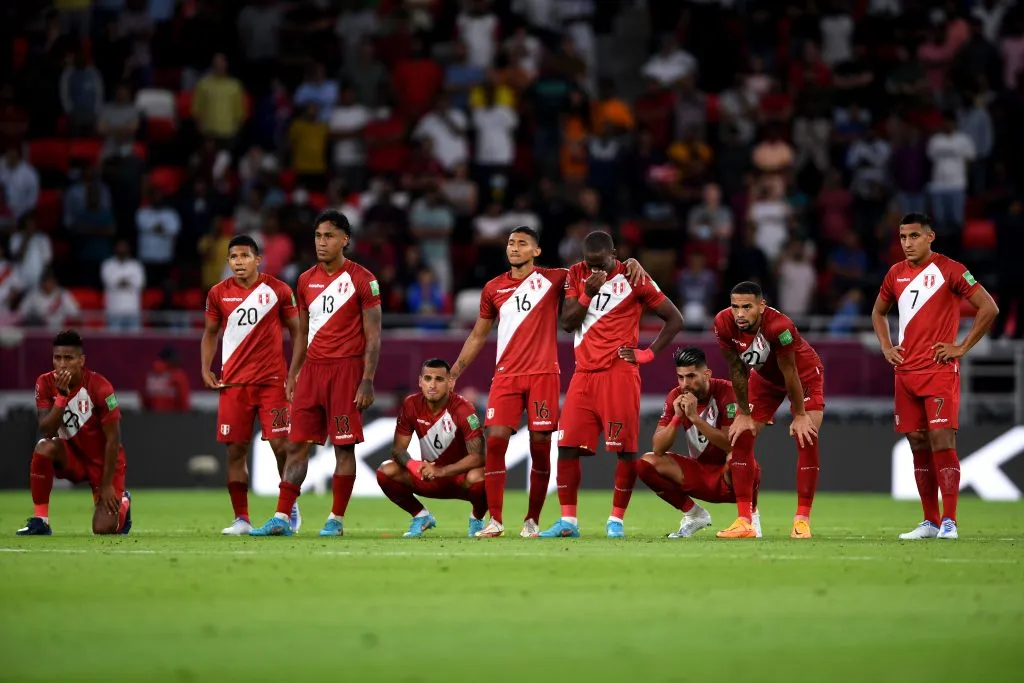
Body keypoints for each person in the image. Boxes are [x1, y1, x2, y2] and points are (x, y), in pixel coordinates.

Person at [449, 227, 648, 538]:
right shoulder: (492, 288)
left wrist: (631, 261)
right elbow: (478, 334)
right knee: (496, 441)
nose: (514, 248)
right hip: (506, 375)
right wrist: (455, 371)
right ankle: (496, 521)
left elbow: (602, 266)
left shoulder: (557, 278)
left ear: (536, 251)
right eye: (511, 243)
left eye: (522, 243)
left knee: (541, 449)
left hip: (544, 375)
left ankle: (532, 521)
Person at [539, 231, 684, 538]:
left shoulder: (634, 277)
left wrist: (648, 353)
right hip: (583, 374)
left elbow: (674, 319)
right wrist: (587, 293)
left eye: (600, 263)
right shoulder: (576, 275)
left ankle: (616, 521)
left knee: (626, 450)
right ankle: (568, 523)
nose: (594, 270)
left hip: (620, 374)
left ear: (614, 254)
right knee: (565, 447)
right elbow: (566, 324)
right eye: (589, 263)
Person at [250, 210, 382, 537]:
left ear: (345, 240)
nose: (322, 242)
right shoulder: (306, 280)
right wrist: (293, 373)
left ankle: (335, 519)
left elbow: (374, 335)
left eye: (329, 236)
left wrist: (367, 379)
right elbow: (303, 333)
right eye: (318, 236)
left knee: (343, 447)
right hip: (312, 373)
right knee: (296, 446)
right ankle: (282, 516)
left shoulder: (364, 280)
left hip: (346, 372)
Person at [871, 213, 998, 540]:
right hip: (906, 372)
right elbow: (878, 311)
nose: (907, 243)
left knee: (942, 440)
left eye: (914, 236)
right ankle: (929, 521)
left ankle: (949, 521)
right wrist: (887, 345)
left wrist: (961, 347)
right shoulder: (895, 273)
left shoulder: (951, 270)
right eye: (902, 237)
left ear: (930, 237)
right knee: (917, 442)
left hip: (938, 370)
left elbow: (989, 308)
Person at [202, 235, 303, 535]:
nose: (238, 262)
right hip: (233, 383)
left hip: (273, 382)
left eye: (245, 256)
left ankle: (287, 508)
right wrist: (205, 367)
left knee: (281, 446)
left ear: (258, 259)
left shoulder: (279, 290)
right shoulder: (218, 293)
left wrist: (295, 372)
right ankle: (242, 519)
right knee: (235, 451)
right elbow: (210, 333)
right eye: (233, 257)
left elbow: (298, 332)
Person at [713, 281, 825, 539]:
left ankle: (802, 520)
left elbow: (791, 372)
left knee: (806, 435)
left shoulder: (779, 327)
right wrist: (743, 412)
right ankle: (744, 521)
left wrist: (799, 415)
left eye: (747, 307)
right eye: (735, 307)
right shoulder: (723, 323)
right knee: (740, 436)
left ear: (761, 306)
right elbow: (737, 369)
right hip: (764, 380)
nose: (739, 313)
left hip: (804, 376)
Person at [636, 347, 762, 538]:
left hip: (732, 476)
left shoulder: (728, 392)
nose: (685, 384)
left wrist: (695, 419)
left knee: (738, 454)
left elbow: (732, 444)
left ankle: (748, 519)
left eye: (691, 376)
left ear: (707, 374)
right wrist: (677, 418)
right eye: (680, 377)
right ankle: (694, 515)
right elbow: (658, 448)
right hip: (700, 474)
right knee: (646, 463)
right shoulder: (675, 397)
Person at [17, 330, 132, 536]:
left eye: (68, 358)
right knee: (44, 446)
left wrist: (106, 486)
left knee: (103, 529)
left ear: (81, 360)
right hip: (72, 457)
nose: (61, 364)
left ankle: (123, 502)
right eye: (57, 358)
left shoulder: (101, 388)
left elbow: (114, 439)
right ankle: (40, 521)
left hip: (103, 464)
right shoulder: (44, 383)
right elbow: (47, 430)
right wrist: (61, 398)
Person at [376, 359, 488, 538]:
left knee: (480, 477)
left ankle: (477, 519)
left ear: (450, 383)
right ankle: (421, 516)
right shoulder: (411, 404)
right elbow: (398, 449)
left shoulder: (463, 409)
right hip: (429, 478)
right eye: (427, 379)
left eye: (439, 379)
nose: (432, 385)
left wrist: (442, 470)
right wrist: (414, 466)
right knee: (386, 470)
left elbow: (479, 457)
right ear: (420, 381)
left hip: (460, 480)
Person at [141, 347, 191, 413]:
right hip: (172, 418)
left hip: (152, 418)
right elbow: (183, 401)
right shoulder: (178, 376)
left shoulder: (149, 375)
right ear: (171, 359)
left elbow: (144, 399)